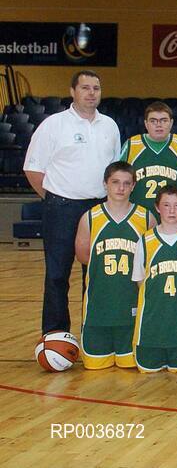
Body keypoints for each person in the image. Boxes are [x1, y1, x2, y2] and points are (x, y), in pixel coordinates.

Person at [25, 70, 121, 335]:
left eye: (96, 88)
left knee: (97, 275)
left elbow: (114, 171)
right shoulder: (53, 125)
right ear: (72, 92)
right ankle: (55, 336)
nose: (91, 93)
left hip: (99, 209)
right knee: (57, 275)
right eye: (85, 88)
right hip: (62, 208)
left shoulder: (110, 126)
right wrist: (56, 198)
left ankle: (94, 332)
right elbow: (33, 170)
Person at [73, 161, 153, 369]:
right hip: (98, 308)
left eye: (127, 183)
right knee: (94, 367)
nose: (121, 188)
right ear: (105, 184)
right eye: (115, 182)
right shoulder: (90, 218)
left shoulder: (146, 218)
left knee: (131, 365)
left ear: (133, 186)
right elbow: (83, 256)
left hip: (131, 308)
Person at [131, 185, 177, 373]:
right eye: (166, 205)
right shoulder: (145, 240)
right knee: (147, 369)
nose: (172, 211)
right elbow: (140, 281)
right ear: (157, 207)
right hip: (153, 320)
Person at [121, 101, 177, 213]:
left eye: (164, 120)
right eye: (153, 121)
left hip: (173, 218)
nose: (158, 125)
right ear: (146, 124)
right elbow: (118, 180)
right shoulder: (131, 145)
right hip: (137, 216)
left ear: (171, 123)